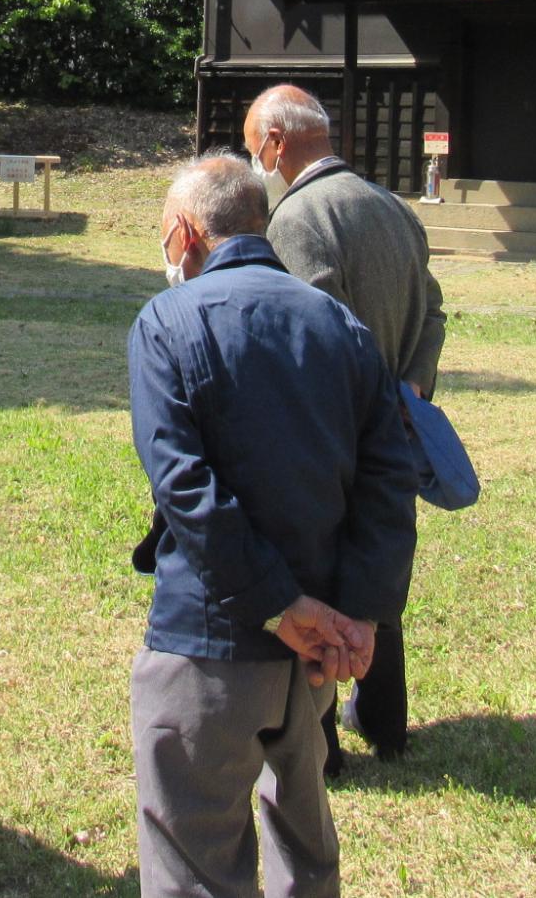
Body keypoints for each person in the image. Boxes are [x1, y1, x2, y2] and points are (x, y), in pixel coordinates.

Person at [130, 155, 416, 898]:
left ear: (184, 232)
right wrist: (360, 611)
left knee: (193, 853)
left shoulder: (168, 320)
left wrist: (277, 605)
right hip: (317, 654)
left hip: (213, 636)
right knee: (306, 843)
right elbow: (390, 477)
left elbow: (185, 486)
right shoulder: (340, 323)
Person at [244, 82, 442, 767]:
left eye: (252, 150)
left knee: (322, 581)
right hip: (397, 423)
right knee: (379, 571)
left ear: (274, 143)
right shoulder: (391, 205)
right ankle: (386, 724)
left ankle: (319, 744)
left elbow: (314, 341)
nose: (254, 167)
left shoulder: (298, 221)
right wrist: (413, 381)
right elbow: (435, 311)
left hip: (336, 431)